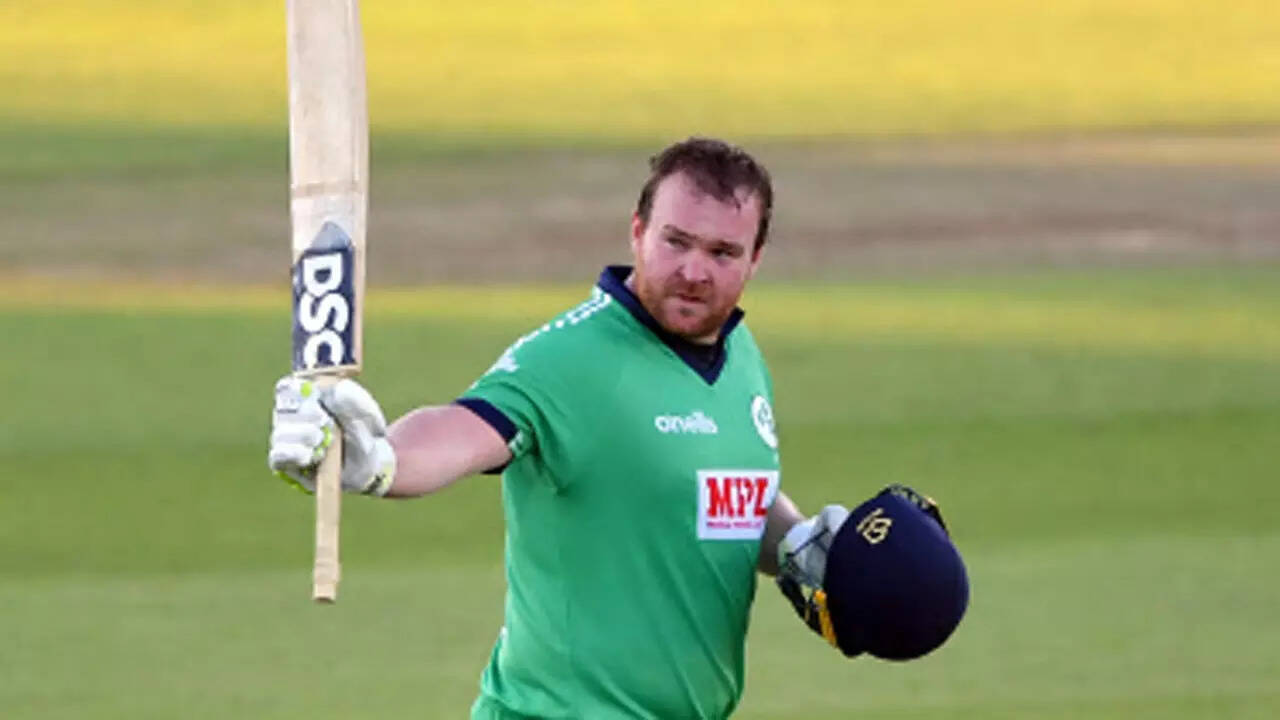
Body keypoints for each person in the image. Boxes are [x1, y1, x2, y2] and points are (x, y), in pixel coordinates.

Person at [269, 137, 966, 719]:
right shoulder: (570, 360)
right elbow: (464, 429)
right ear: (637, 232)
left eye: (723, 253)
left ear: (756, 259)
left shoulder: (740, 358)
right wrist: (379, 460)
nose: (694, 271)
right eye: (675, 241)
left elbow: (717, 495)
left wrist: (798, 542)